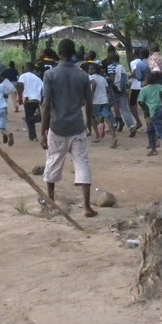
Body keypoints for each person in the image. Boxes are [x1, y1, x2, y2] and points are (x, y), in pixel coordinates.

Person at [40, 38, 97, 218]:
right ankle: (86, 207)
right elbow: (89, 103)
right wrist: (89, 125)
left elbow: (46, 105)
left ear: (58, 53)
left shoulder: (50, 74)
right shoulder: (82, 75)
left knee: (53, 161)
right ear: (73, 53)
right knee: (82, 164)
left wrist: (43, 131)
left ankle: (50, 200)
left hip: (57, 126)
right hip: (77, 126)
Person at [87, 62, 118, 148]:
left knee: (93, 118)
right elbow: (107, 90)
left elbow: (93, 84)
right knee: (107, 119)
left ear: (94, 70)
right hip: (104, 101)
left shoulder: (90, 77)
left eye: (90, 69)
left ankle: (98, 134)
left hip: (95, 102)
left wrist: (90, 96)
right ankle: (114, 137)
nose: (89, 70)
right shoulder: (103, 78)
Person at [17, 62, 43, 141]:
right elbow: (43, 89)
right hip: (37, 100)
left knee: (29, 118)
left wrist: (19, 95)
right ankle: (33, 136)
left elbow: (20, 85)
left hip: (28, 99)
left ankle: (40, 118)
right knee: (30, 117)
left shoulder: (23, 76)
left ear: (27, 67)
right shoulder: (37, 78)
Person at [128, 48, 144, 133]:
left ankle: (138, 121)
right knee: (144, 105)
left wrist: (130, 76)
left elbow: (135, 72)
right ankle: (149, 123)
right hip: (143, 85)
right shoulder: (143, 62)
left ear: (134, 54)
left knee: (131, 104)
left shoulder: (133, 62)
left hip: (135, 86)